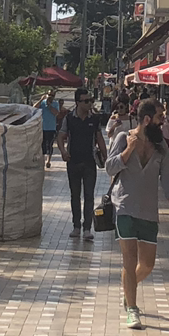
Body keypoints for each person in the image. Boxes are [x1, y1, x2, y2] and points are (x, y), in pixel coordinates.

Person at [106, 97, 169, 328]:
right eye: (159, 117)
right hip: (125, 207)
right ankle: (133, 309)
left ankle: (129, 289)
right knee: (129, 260)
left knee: (147, 264)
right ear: (147, 119)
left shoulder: (160, 147)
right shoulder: (123, 138)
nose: (163, 121)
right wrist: (129, 150)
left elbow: (167, 177)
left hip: (148, 211)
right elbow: (109, 167)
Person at [58, 88, 107, 240]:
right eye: (86, 101)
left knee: (89, 196)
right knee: (75, 195)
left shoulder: (94, 119)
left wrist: (106, 157)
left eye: (91, 100)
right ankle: (76, 226)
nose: (89, 103)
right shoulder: (69, 119)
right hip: (73, 162)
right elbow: (61, 136)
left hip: (89, 162)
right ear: (78, 102)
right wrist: (63, 152)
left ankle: (87, 228)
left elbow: (99, 138)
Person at [36, 90, 60, 166]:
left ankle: (48, 161)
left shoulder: (55, 104)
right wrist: (41, 100)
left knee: (49, 144)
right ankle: (42, 160)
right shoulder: (42, 103)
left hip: (51, 128)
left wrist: (49, 105)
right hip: (42, 127)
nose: (50, 97)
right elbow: (34, 108)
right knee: (42, 145)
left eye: (52, 95)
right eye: (49, 95)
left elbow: (56, 113)